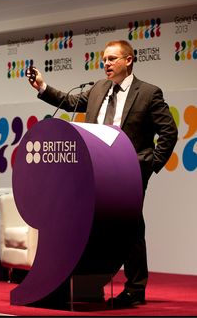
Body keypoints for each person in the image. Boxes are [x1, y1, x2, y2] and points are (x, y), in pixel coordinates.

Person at [26, 40, 178, 308]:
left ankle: (135, 288)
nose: (106, 64)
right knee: (88, 225)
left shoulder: (149, 93)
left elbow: (169, 132)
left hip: (130, 170)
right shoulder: (98, 89)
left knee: (130, 227)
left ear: (128, 60)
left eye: (112, 59)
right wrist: (43, 87)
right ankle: (84, 281)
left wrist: (150, 164)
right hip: (94, 169)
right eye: (104, 59)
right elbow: (71, 102)